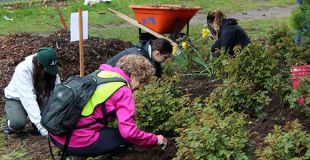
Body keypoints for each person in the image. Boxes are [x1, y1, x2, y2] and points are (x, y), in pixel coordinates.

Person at [49, 54, 168, 158]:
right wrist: (154, 139)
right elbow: (129, 133)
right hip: (75, 142)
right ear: (132, 76)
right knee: (125, 139)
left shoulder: (100, 74)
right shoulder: (123, 90)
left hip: (57, 134)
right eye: (140, 82)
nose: (139, 88)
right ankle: (81, 155)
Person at [3, 47, 61, 136]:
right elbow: (28, 99)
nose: (50, 71)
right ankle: (12, 120)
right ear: (39, 64)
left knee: (50, 117)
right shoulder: (22, 70)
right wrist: (40, 125)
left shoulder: (50, 67)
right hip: (17, 99)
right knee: (18, 123)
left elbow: (57, 90)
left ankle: (35, 123)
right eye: (47, 68)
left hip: (39, 98)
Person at [106, 38, 173, 78]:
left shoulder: (145, 50)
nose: (165, 60)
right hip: (107, 77)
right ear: (157, 53)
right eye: (165, 57)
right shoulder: (141, 59)